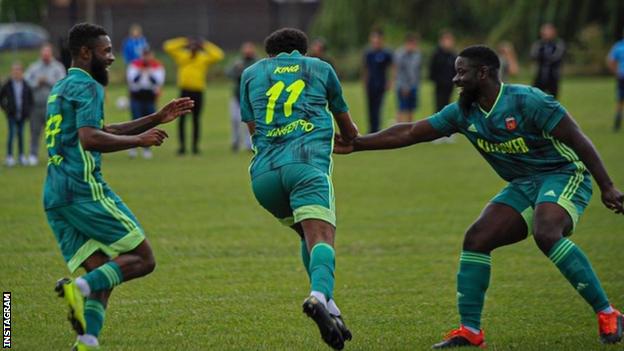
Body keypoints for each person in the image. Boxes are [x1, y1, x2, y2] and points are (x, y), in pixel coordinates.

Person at [335, 45, 624, 349]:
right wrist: (359, 144)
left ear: (483, 73)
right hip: (523, 183)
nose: (455, 79)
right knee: (477, 238)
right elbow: (410, 132)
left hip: (564, 174)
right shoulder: (464, 112)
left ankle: (608, 313)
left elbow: (578, 138)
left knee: (546, 231)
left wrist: (607, 186)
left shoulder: (529, 101)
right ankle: (470, 331)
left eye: (462, 72)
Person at [45, 23, 192, 351]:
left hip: (55, 194)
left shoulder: (62, 87)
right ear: (85, 53)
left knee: (106, 271)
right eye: (106, 51)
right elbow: (90, 138)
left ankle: (87, 341)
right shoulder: (90, 87)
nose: (112, 58)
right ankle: (78, 287)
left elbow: (101, 128)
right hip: (82, 188)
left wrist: (155, 117)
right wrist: (138, 140)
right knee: (143, 258)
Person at [240, 28, 359, 350]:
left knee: (306, 236)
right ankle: (319, 296)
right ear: (303, 52)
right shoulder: (320, 68)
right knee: (321, 237)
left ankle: (330, 308)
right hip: (305, 166)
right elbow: (347, 128)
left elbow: (253, 128)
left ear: (270, 55)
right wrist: (347, 136)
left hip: (263, 176)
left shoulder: (251, 73)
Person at [164, 36, 224, 155]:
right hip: (184, 91)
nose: (193, 48)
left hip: (197, 92)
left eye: (195, 47)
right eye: (191, 46)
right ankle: (182, 147)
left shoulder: (203, 58)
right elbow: (167, 46)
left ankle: (195, 147)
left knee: (196, 120)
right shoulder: (182, 55)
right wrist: (184, 41)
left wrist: (205, 44)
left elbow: (219, 55)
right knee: (181, 120)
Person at [25, 43, 67, 166]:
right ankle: (33, 155)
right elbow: (26, 81)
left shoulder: (58, 67)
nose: (45, 57)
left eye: (47, 55)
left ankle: (55, 155)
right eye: (44, 55)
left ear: (51, 54)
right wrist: (36, 83)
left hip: (53, 107)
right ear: (41, 54)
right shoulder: (34, 67)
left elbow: (62, 83)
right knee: (34, 131)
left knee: (54, 132)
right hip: (36, 106)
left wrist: (48, 81)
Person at [126, 47, 165, 159]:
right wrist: (141, 72)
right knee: (135, 122)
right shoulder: (134, 65)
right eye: (145, 55)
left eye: (149, 55)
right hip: (137, 96)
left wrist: (149, 73)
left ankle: (147, 148)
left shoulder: (157, 66)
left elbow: (158, 82)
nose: (147, 58)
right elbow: (132, 81)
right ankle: (132, 147)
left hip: (149, 96)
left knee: (148, 123)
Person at [0, 62, 33, 167]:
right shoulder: (8, 84)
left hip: (22, 115)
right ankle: (9, 156)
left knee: (21, 135)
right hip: (12, 114)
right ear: (12, 72)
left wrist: (28, 111)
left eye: (18, 70)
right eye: (14, 70)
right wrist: (6, 109)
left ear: (22, 72)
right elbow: (1, 97)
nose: (16, 72)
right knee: (11, 134)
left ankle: (21, 156)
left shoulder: (26, 84)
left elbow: (31, 100)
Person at [226, 42, 256, 152]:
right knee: (235, 120)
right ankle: (235, 142)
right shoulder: (238, 61)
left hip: (251, 96)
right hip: (237, 95)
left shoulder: (256, 62)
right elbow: (228, 73)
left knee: (250, 121)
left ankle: (249, 144)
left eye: (249, 49)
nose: (247, 51)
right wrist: (236, 69)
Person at [363, 28, 393, 133]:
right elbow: (365, 69)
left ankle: (376, 129)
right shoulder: (368, 53)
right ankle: (371, 128)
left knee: (378, 107)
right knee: (370, 107)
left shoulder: (386, 53)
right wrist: (365, 82)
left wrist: (390, 81)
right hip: (371, 84)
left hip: (381, 84)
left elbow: (392, 67)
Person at [394, 32, 422, 123]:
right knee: (401, 109)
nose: (414, 46)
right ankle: (397, 130)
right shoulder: (399, 54)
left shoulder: (417, 54)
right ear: (407, 43)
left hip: (413, 86)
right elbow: (399, 72)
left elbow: (417, 71)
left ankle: (409, 130)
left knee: (411, 110)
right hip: (402, 87)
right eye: (413, 44)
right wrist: (404, 86)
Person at [531, 23, 565, 98]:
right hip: (540, 75)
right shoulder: (539, 44)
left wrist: (544, 57)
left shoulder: (558, 44)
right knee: (536, 97)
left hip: (553, 76)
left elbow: (556, 57)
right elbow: (533, 55)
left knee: (553, 99)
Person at [429, 30, 457, 112]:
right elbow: (432, 68)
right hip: (439, 85)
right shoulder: (437, 54)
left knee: (447, 106)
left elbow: (455, 69)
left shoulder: (453, 55)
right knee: (439, 106)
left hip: (450, 85)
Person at [606, 29, 624, 131]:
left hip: (621, 76)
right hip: (622, 76)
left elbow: (610, 60)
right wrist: (616, 72)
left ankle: (617, 124)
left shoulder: (618, 46)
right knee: (620, 100)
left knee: (620, 100)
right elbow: (611, 60)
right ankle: (617, 123)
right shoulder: (619, 46)